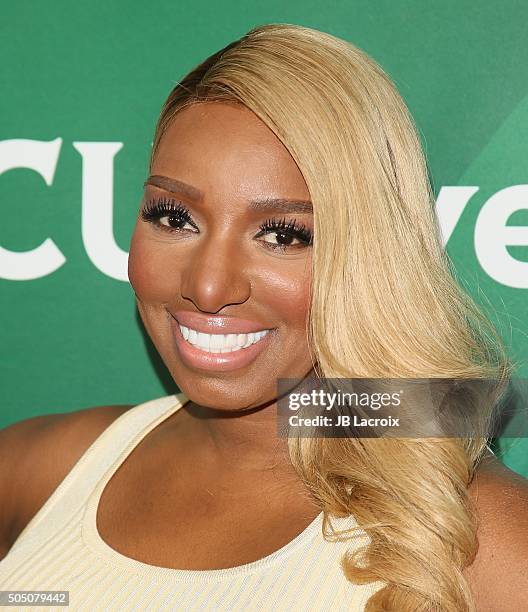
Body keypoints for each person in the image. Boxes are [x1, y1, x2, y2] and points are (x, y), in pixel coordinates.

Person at [1, 23, 527, 612]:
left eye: (282, 234)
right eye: (175, 218)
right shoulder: (43, 468)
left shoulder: (478, 538)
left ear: (369, 255)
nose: (207, 285)